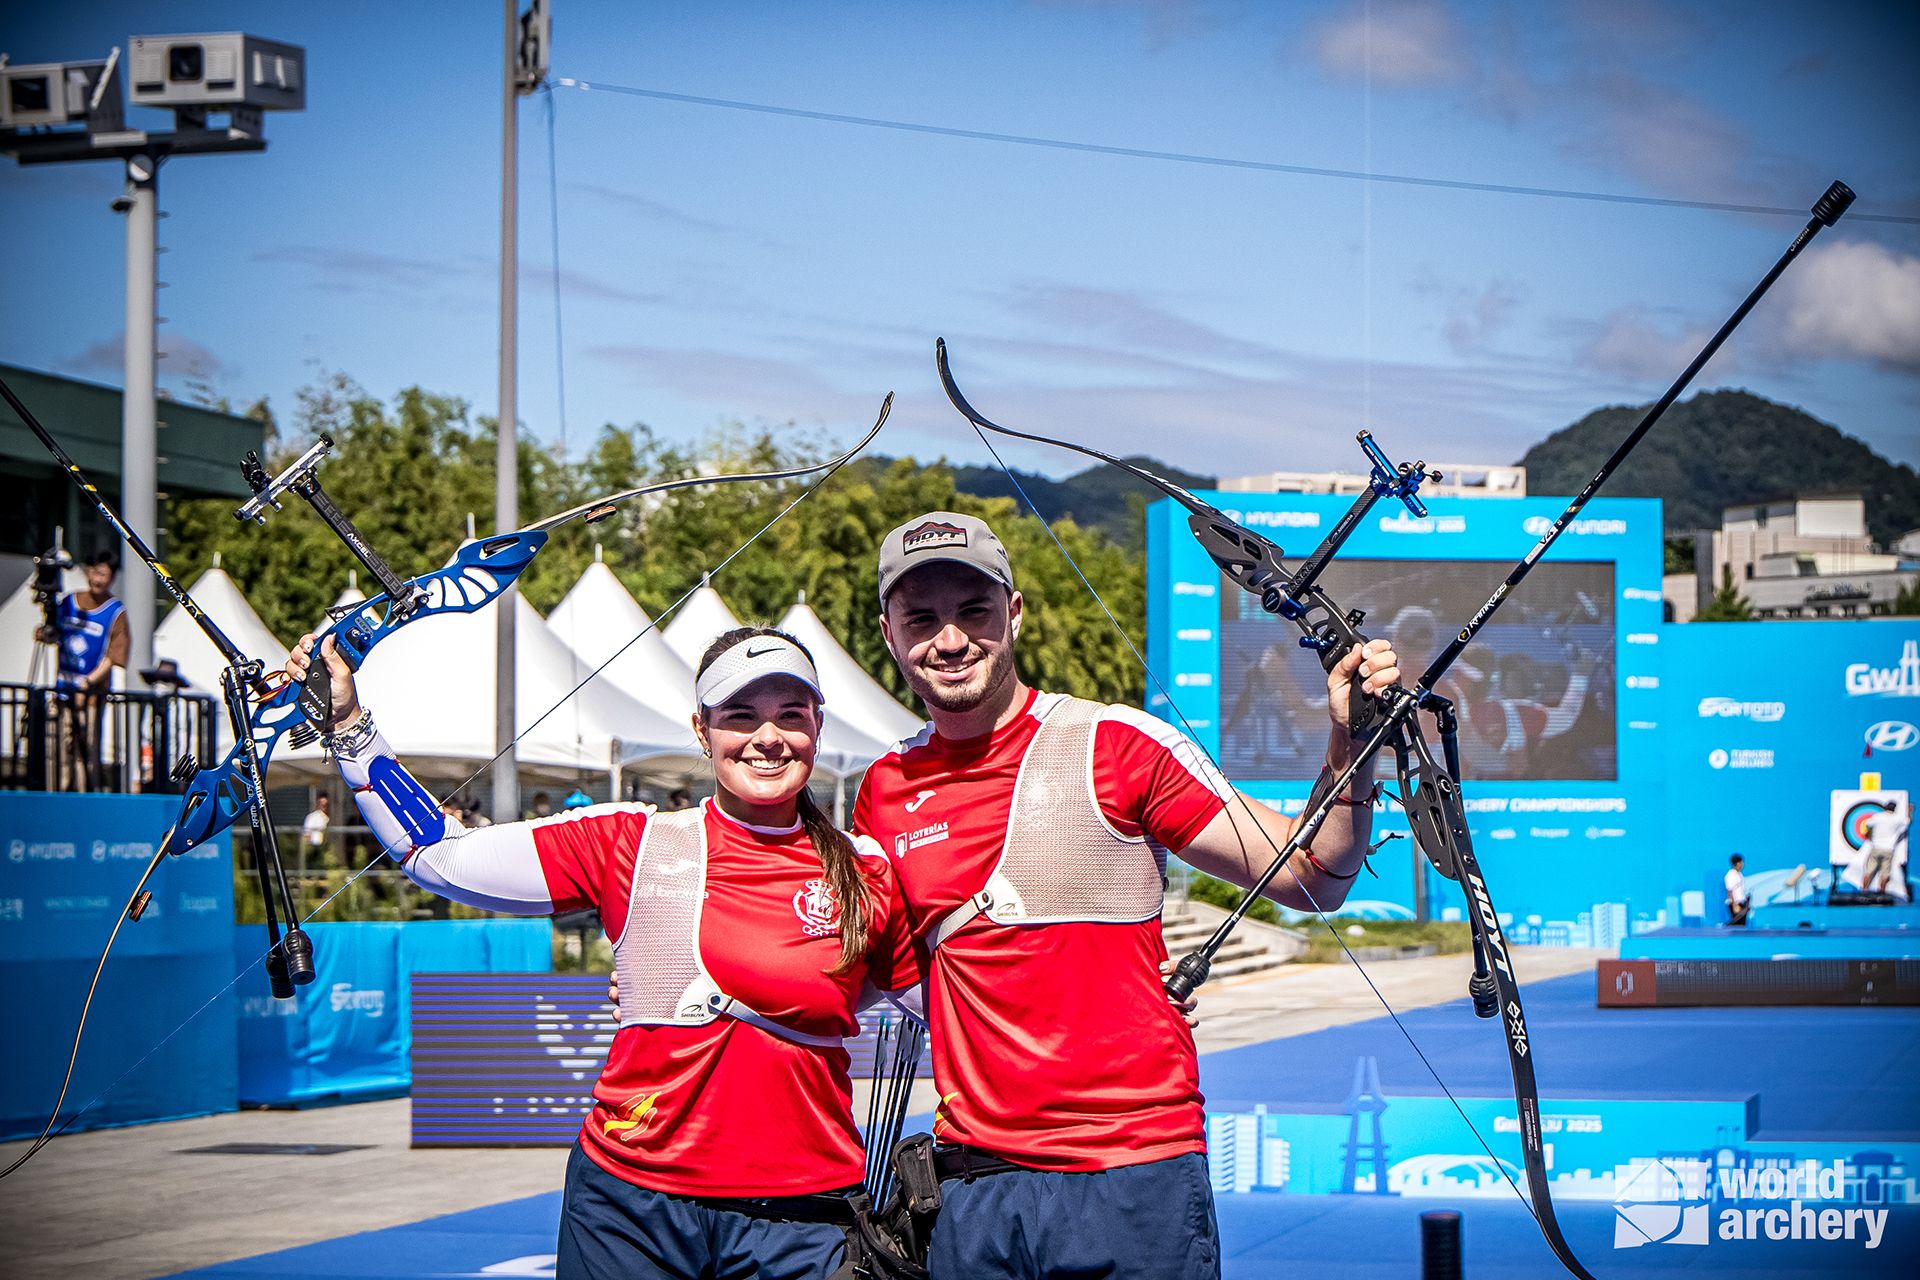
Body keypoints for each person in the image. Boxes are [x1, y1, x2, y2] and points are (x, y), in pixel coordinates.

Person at [854, 511, 1400, 1280]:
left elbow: (1311, 874)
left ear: (1013, 612)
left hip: (1133, 1173)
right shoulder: (883, 789)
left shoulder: (1115, 744)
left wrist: (1353, 742)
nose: (949, 639)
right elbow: (888, 967)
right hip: (972, 1183)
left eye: (973, 609)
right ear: (890, 633)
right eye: (922, 618)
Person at [288, 624, 922, 1279]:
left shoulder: (865, 867)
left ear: (817, 724)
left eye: (791, 716)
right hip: (632, 1208)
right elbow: (435, 854)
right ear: (703, 732)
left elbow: (955, 1006)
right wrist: (348, 725)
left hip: (803, 1214)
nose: (769, 738)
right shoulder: (632, 841)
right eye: (740, 717)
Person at [36, 549, 128, 791]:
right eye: (95, 572)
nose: (98, 579)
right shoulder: (69, 602)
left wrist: (88, 683)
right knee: (57, 752)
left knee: (84, 754)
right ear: (88, 572)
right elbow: (51, 632)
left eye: (105, 574)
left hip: (89, 698)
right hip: (61, 691)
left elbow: (114, 655)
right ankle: (56, 796)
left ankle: (84, 797)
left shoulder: (115, 611)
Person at [1860, 808, 1909, 897]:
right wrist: (1909, 811)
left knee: (1868, 871)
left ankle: (1863, 892)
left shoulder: (1878, 816)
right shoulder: (1896, 818)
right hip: (1888, 850)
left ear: (1885, 808)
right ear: (1894, 809)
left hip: (1876, 848)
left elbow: (1867, 824)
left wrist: (1869, 834)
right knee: (1885, 873)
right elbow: (1907, 821)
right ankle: (1882, 894)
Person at [1725, 853, 1752, 926]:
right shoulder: (1730, 875)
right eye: (1741, 862)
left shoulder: (1739, 874)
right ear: (1737, 863)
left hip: (1741, 903)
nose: (1743, 864)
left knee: (1742, 926)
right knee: (1737, 926)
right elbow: (1730, 891)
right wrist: (1734, 905)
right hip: (1735, 904)